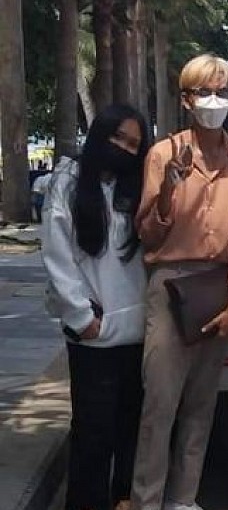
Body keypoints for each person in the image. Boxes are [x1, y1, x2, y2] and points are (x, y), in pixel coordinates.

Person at [130, 54, 228, 510]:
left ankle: (183, 499)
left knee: (201, 404)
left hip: (219, 283)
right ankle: (147, 500)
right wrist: (169, 189)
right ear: (186, 100)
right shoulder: (163, 153)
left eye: (222, 92)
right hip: (170, 282)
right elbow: (148, 234)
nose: (214, 101)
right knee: (159, 403)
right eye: (204, 92)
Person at [42, 104, 150, 510]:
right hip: (93, 333)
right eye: (118, 137)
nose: (124, 149)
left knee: (131, 430)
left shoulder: (137, 185)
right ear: (99, 133)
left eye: (134, 145)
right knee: (92, 433)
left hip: (137, 332)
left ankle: (124, 500)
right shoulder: (67, 181)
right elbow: (57, 255)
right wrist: (81, 317)